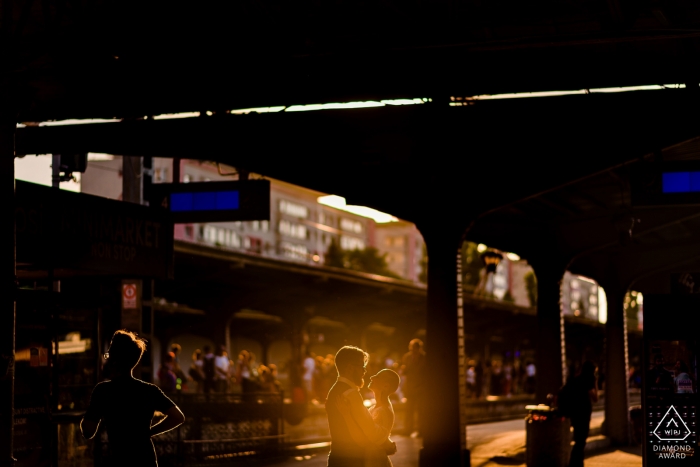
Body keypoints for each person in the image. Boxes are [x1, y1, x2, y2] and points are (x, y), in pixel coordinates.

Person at [80, 330, 185, 467]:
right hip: (147, 459)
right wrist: (149, 432)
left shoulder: (103, 391)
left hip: (120, 459)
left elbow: (88, 431)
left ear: (114, 361)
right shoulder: (149, 390)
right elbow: (178, 417)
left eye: (109, 356)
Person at [326, 346, 396, 467]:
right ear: (350, 368)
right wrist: (387, 442)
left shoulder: (334, 390)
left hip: (336, 457)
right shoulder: (351, 394)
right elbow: (369, 430)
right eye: (362, 367)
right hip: (351, 460)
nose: (365, 371)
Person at [366, 369, 401, 467]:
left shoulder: (383, 410)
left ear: (386, 386)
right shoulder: (376, 407)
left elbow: (372, 435)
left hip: (375, 459)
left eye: (377, 377)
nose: (372, 377)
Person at [567, 360, 598, 467]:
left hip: (575, 413)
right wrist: (595, 384)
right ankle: (575, 463)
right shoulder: (588, 381)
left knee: (578, 439)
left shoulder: (575, 380)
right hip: (584, 414)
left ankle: (576, 462)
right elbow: (595, 398)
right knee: (581, 440)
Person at [401, 338, 426, 436]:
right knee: (409, 410)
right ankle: (408, 429)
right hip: (410, 388)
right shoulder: (407, 357)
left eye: (413, 348)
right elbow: (405, 370)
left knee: (421, 411)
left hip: (421, 388)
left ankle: (421, 430)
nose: (412, 350)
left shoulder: (424, 357)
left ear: (418, 348)